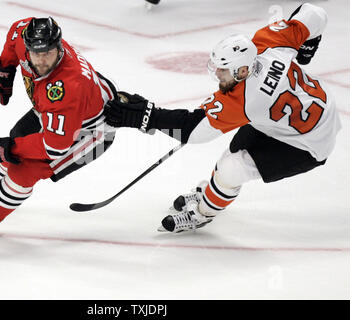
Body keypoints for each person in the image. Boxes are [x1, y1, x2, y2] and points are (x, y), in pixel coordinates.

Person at [104, 3, 341, 233]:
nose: (217, 74)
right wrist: (309, 44)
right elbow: (314, 12)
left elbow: (192, 131)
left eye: (224, 71)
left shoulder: (247, 98)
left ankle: (202, 213)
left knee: (232, 168)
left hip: (310, 143)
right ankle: (214, 192)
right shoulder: (267, 42)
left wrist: (148, 116)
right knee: (234, 152)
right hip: (302, 114)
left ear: (244, 70)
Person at [0, 17, 117, 235]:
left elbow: (55, 146)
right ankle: (0, 195)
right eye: (36, 54)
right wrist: (4, 69)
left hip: (91, 132)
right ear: (28, 47)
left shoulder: (68, 85)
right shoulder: (23, 37)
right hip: (59, 112)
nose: (41, 61)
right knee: (18, 135)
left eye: (48, 53)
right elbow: (15, 31)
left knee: (24, 170)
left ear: (59, 48)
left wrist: (6, 148)